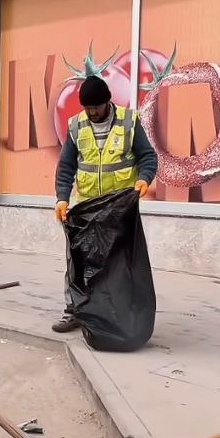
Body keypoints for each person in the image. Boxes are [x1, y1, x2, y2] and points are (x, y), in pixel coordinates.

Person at [52, 74, 158, 333]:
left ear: (107, 102)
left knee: (119, 264)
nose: (91, 113)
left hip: (118, 210)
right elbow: (66, 166)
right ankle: (73, 311)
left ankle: (119, 312)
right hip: (86, 209)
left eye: (95, 108)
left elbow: (148, 157)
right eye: (87, 108)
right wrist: (62, 198)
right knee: (77, 262)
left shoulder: (128, 122)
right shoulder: (76, 125)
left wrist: (144, 179)